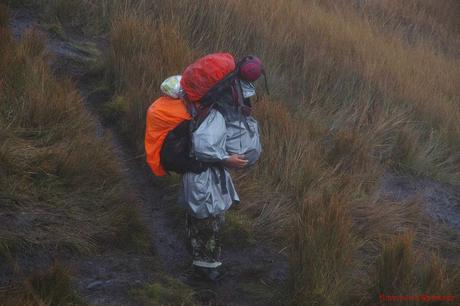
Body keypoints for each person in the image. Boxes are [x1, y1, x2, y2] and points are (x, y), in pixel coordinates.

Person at [179, 54, 263, 281]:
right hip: (203, 177)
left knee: (198, 219)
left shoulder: (201, 107)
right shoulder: (214, 115)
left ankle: (200, 263)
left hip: (197, 174)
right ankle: (207, 271)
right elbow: (204, 148)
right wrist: (228, 160)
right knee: (209, 220)